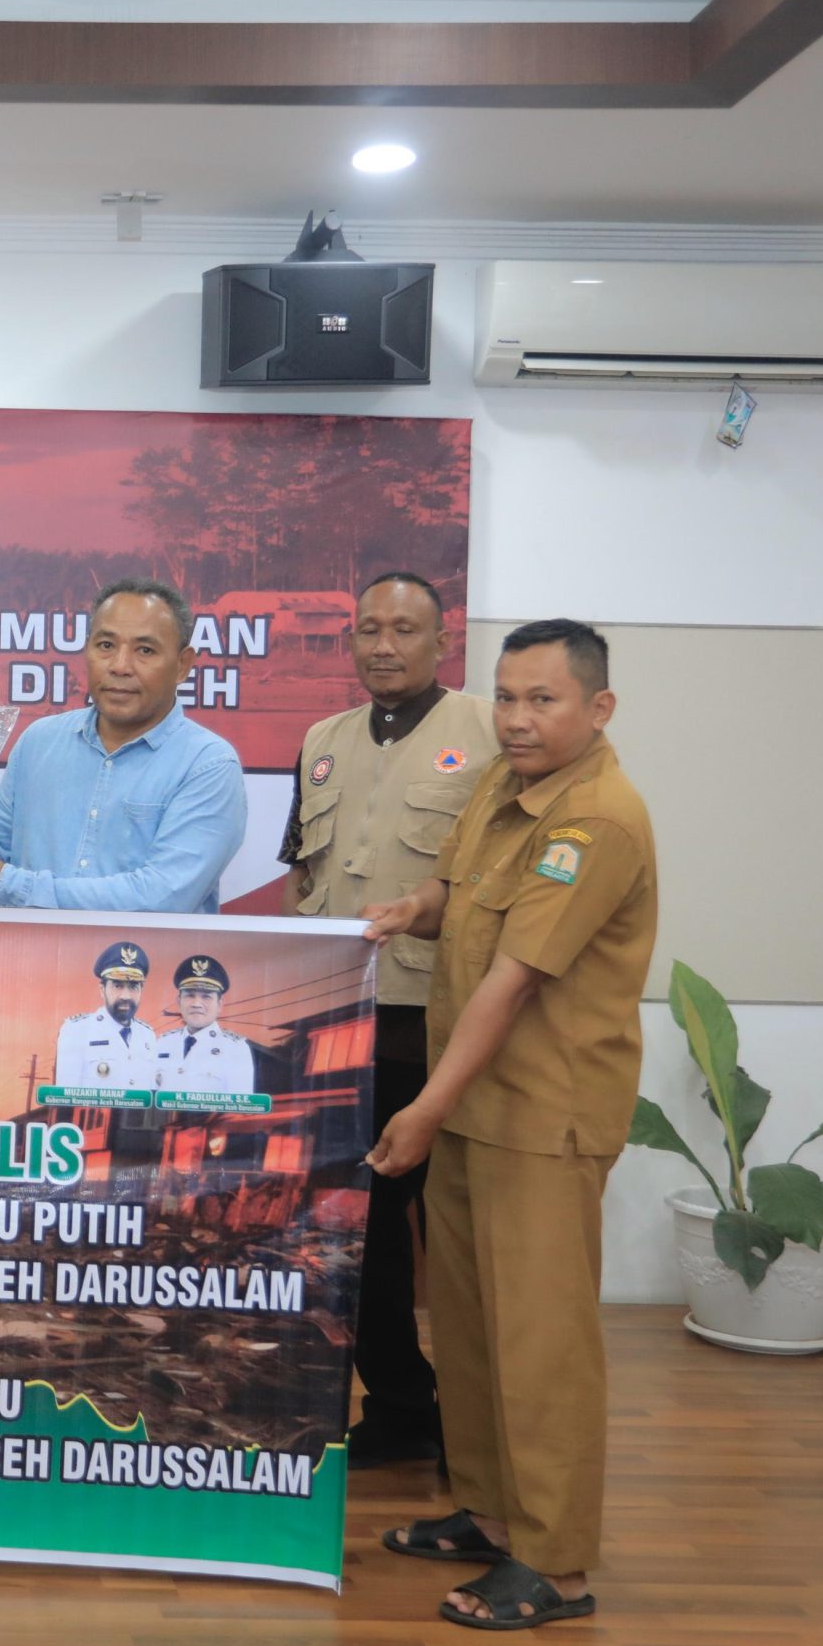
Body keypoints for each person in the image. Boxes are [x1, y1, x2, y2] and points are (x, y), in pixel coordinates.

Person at [359, 619, 657, 1632]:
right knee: (472, 1328)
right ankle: (489, 1512)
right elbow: (456, 894)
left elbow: (513, 980)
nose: (519, 719)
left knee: (541, 1344)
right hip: (476, 1109)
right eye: (507, 697)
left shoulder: (597, 821)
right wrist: (410, 909)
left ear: (598, 707)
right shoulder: (502, 784)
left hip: (541, 1116)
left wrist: (422, 1107)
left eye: (543, 700)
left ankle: (556, 1562)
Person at [281, 570, 496, 1469]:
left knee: (458, 1236)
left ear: (441, 640)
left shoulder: (487, 733)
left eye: (404, 629)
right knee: (353, 1231)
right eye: (368, 629)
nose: (383, 645)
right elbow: (304, 877)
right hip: (339, 1020)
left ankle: (485, 1429)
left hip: (437, 1024)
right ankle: (404, 1407)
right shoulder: (321, 741)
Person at [0, 577, 244, 912]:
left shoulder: (208, 765)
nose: (120, 666)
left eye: (145, 650)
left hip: (139, 950)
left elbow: (162, 897)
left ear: (183, 665)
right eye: (106, 645)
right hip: (31, 948)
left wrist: (13, 888)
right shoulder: (39, 741)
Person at [54, 941, 162, 1091]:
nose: (125, 996)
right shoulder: (77, 1031)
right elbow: (67, 1097)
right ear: (102, 989)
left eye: (133, 987)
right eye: (117, 986)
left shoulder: (147, 1035)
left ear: (141, 990)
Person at [153, 955, 257, 1095]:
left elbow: (238, 1104)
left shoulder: (235, 1049)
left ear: (219, 1005)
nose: (196, 1004)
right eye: (190, 995)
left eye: (206, 996)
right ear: (178, 1002)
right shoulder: (163, 1043)